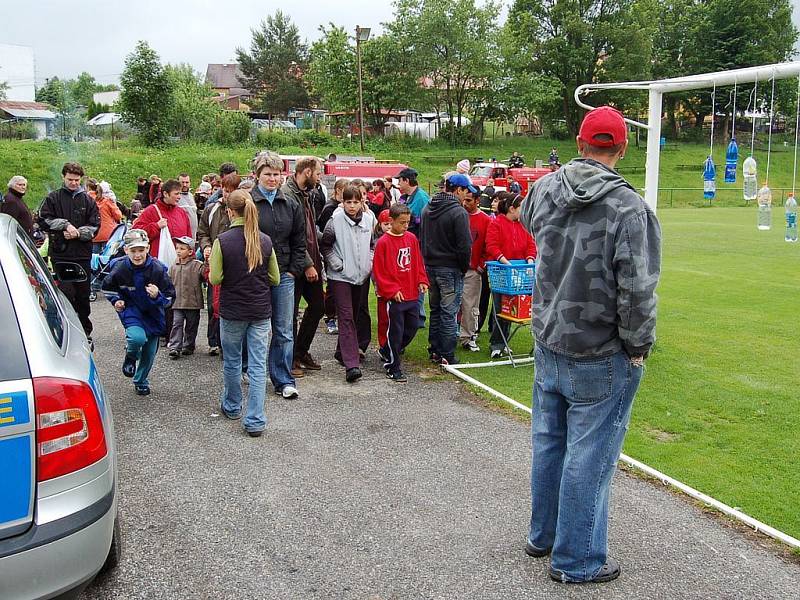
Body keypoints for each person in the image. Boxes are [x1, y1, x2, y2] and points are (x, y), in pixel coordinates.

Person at [520, 105, 661, 584]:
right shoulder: (629, 207)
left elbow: (530, 227)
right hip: (599, 353)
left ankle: (544, 536)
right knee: (589, 455)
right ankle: (577, 559)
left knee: (549, 443)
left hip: (550, 339)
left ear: (581, 144)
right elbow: (638, 289)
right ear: (620, 149)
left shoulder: (543, 189)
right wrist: (638, 346)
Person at [209, 190, 280, 437]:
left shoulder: (223, 241)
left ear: (230, 211)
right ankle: (255, 419)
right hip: (260, 310)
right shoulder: (265, 240)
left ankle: (232, 405)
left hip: (233, 310)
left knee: (232, 360)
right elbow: (275, 277)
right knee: (258, 366)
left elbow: (215, 277)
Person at [250, 151, 305, 400]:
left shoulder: (291, 203)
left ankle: (283, 379)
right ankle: (251, 370)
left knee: (284, 329)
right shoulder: (249, 203)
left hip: (284, 273)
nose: (273, 179)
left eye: (276, 174)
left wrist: (294, 270)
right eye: (268, 175)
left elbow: (299, 240)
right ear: (257, 176)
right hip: (255, 274)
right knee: (254, 327)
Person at [102, 229, 176, 396]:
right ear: (126, 250)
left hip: (153, 313)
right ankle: (131, 356)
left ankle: (141, 380)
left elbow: (171, 297)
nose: (137, 255)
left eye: (141, 250)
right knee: (137, 338)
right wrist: (117, 301)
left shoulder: (157, 269)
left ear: (148, 249)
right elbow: (107, 288)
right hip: (131, 310)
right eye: (133, 250)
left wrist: (158, 296)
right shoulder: (119, 267)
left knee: (149, 353)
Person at [319, 185, 374, 383]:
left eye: (355, 202)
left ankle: (342, 351)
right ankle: (352, 364)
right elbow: (325, 245)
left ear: (362, 202)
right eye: (348, 202)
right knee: (346, 316)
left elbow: (372, 244)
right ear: (342, 202)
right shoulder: (335, 221)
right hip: (340, 276)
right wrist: (337, 264)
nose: (351, 206)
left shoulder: (369, 219)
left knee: (357, 312)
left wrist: (369, 263)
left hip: (361, 274)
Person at [39, 162, 100, 339]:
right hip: (60, 254)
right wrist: (65, 224)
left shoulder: (88, 200)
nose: (73, 183)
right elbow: (44, 220)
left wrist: (78, 233)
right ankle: (67, 328)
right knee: (66, 293)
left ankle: (84, 330)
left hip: (82, 255)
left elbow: (95, 226)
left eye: (76, 180)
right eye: (70, 179)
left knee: (82, 295)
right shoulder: (53, 198)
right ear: (63, 177)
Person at [419, 172, 473, 365]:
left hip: (431, 266)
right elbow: (465, 245)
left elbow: (422, 238)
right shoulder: (458, 212)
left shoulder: (428, 207)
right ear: (458, 190)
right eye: (465, 191)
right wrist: (463, 267)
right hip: (450, 268)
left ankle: (435, 349)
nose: (466, 196)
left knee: (435, 310)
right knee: (449, 312)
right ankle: (447, 354)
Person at [373, 204, 429, 383]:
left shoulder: (412, 238)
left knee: (412, 327)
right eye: (402, 223)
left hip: (411, 292)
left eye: (408, 222)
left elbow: (418, 262)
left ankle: (388, 350)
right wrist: (391, 290)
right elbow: (379, 271)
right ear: (391, 221)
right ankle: (392, 366)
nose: (406, 226)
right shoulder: (383, 243)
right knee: (395, 331)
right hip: (395, 296)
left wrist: (422, 280)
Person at [281, 156, 326, 376]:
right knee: (290, 314)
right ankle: (289, 360)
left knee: (318, 306)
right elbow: (293, 235)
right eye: (318, 173)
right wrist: (308, 264)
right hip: (295, 264)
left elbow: (309, 229)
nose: (319, 178)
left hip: (310, 261)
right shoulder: (288, 195)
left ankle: (300, 351)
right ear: (307, 172)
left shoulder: (306, 194)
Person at [485, 193, 537, 358]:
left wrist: (530, 260)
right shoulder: (496, 223)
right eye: (521, 208)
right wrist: (504, 261)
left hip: (520, 273)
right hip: (502, 272)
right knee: (501, 309)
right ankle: (497, 343)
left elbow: (531, 245)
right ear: (512, 208)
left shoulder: (524, 225)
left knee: (516, 308)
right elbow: (492, 246)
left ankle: (504, 342)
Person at [199, 173, 239, 355]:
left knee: (228, 302)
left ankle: (227, 344)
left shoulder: (242, 209)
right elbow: (203, 232)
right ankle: (213, 340)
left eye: (232, 191)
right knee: (213, 304)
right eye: (225, 190)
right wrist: (206, 246)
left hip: (233, 264)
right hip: (213, 262)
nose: (227, 195)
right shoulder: (211, 209)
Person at [458, 187, 491, 352]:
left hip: (472, 270)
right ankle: (451, 334)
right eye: (464, 199)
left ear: (478, 200)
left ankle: (468, 336)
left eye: (469, 200)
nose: (465, 203)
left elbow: (489, 245)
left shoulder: (485, 220)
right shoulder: (458, 215)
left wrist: (480, 265)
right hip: (456, 268)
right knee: (451, 304)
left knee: (471, 305)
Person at [317, 178, 349, 335]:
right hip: (332, 252)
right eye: (345, 190)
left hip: (345, 253)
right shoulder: (330, 208)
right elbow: (324, 233)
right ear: (338, 190)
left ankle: (339, 316)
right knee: (331, 287)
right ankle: (330, 318)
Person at [133, 178, 192, 260]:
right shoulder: (151, 211)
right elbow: (136, 234)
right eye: (176, 194)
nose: (179, 197)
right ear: (165, 194)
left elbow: (188, 238)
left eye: (180, 194)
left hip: (179, 265)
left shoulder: (181, 212)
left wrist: (191, 258)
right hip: (158, 263)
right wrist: (156, 226)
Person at [167, 236, 206, 359]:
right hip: (177, 302)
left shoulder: (197, 265)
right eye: (177, 248)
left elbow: (205, 276)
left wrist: (207, 263)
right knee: (177, 324)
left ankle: (188, 345)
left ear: (190, 252)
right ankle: (175, 347)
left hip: (193, 302)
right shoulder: (173, 266)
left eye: (182, 249)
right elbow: (168, 281)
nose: (178, 251)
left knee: (191, 325)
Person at [93, 181, 123, 254]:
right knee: (107, 257)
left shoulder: (93, 202)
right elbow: (118, 215)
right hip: (108, 234)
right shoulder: (108, 202)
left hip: (95, 233)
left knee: (94, 258)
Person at [177, 173, 198, 239]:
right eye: (182, 182)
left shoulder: (191, 196)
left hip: (193, 235)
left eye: (187, 182)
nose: (185, 185)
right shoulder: (175, 197)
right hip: (182, 237)